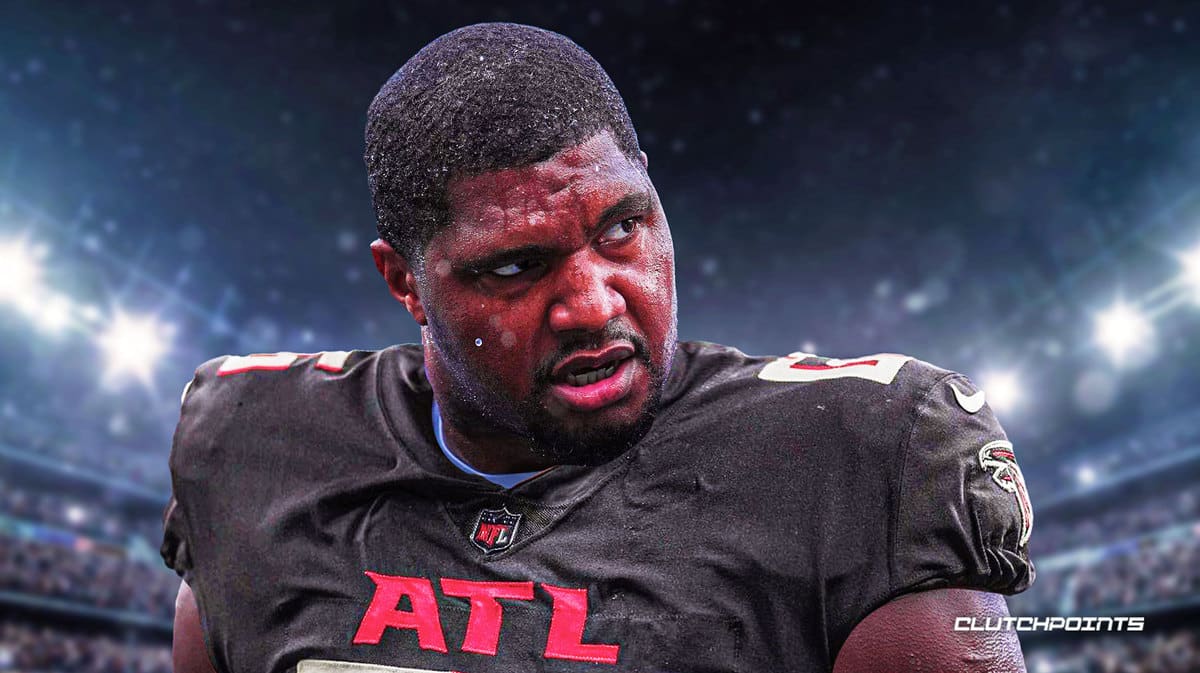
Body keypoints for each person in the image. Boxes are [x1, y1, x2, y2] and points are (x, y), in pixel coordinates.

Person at [163, 22, 1034, 673]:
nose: (591, 304)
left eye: (622, 226)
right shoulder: (255, 445)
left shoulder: (861, 457)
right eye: (516, 266)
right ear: (404, 281)